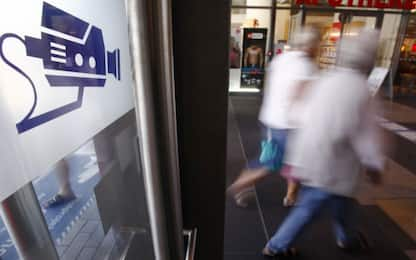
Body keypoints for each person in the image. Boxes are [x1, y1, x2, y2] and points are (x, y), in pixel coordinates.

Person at [262, 29, 385, 257]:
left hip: (310, 153)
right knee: (313, 204)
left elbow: (300, 112)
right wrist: (374, 164)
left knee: (340, 202)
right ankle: (277, 245)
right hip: (334, 161)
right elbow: (368, 135)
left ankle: (347, 238)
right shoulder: (362, 91)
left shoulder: (325, 79)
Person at [227, 26, 320, 207]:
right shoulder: (306, 66)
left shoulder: (281, 59)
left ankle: (291, 196)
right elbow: (299, 95)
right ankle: (239, 185)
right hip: (287, 125)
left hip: (272, 120)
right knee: (270, 163)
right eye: (317, 43)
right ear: (311, 45)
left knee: (293, 161)